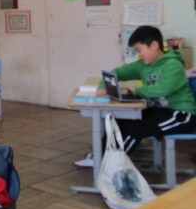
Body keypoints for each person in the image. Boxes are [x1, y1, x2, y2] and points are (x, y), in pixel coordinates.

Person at [75, 25, 196, 168]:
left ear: (154, 45)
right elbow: (117, 73)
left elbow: (163, 89)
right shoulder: (143, 65)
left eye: (139, 50)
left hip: (181, 115)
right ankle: (100, 156)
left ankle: (109, 163)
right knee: (118, 119)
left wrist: (136, 90)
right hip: (161, 112)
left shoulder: (173, 65)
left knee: (135, 129)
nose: (139, 55)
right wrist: (103, 85)